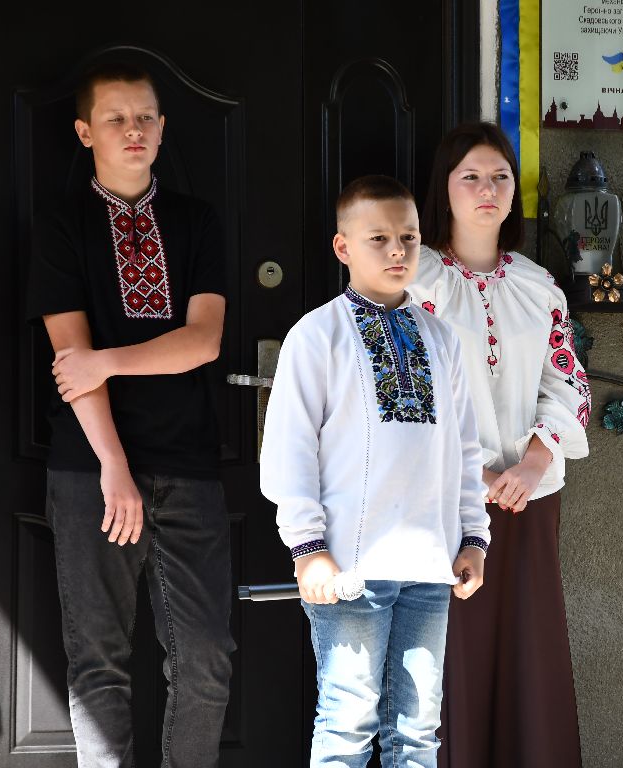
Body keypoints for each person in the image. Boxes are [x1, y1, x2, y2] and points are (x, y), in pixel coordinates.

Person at [25, 62, 234, 767]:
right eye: (115, 118)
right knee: (98, 663)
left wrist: (108, 361)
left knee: (206, 658)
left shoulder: (196, 221)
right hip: (91, 470)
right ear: (85, 132)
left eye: (145, 116)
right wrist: (113, 464)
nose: (133, 130)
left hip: (189, 466)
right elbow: (70, 360)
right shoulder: (62, 224)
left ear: (164, 127)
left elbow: (202, 342)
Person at [259, 175, 491, 768]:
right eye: (379, 238)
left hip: (430, 568)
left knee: (418, 732)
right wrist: (308, 548)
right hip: (349, 569)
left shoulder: (442, 339)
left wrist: (473, 537)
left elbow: (465, 450)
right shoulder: (317, 335)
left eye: (408, 238)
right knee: (347, 725)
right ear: (343, 247)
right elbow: (288, 451)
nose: (397, 251)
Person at [408, 122, 591, 768]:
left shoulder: (539, 286)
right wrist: (476, 477)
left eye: (500, 177)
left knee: (528, 650)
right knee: (454, 656)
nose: (487, 190)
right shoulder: (415, 281)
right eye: (471, 177)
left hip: (528, 500)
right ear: (445, 188)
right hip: (444, 502)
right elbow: (406, 393)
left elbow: (566, 380)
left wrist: (537, 459)